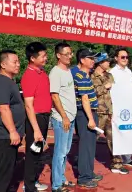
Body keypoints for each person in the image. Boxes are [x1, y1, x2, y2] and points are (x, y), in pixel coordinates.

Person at [0, 50, 25, 192]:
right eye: (14, 62)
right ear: (3, 64)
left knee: (8, 173)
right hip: (4, 136)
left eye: (18, 61)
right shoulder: (2, 83)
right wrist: (12, 131)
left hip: (10, 135)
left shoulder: (9, 82)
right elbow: (4, 109)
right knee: (2, 175)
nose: (18, 64)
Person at [91, 53, 129, 175]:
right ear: (100, 63)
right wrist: (104, 87)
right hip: (97, 112)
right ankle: (82, 162)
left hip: (110, 112)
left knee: (114, 139)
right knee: (91, 139)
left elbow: (115, 91)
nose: (109, 63)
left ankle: (117, 164)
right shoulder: (92, 76)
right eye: (106, 61)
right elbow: (91, 92)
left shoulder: (110, 75)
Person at [21, 42, 51, 192]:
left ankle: (33, 180)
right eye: (43, 56)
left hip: (44, 117)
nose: (46, 58)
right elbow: (28, 105)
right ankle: (29, 186)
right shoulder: (29, 76)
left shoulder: (42, 73)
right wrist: (36, 129)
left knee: (38, 152)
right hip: (36, 119)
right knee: (32, 153)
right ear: (32, 58)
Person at [49, 42, 79, 192]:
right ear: (58, 55)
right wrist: (64, 116)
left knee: (65, 151)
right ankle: (56, 185)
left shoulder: (67, 71)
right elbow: (54, 96)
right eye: (66, 54)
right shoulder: (55, 72)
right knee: (60, 152)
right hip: (62, 119)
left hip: (70, 117)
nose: (70, 56)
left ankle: (61, 179)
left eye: (71, 53)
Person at [73, 49, 104, 188]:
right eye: (90, 58)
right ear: (82, 60)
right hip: (86, 113)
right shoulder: (80, 75)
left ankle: (89, 173)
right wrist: (90, 119)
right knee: (86, 146)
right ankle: (84, 177)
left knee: (90, 145)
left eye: (94, 58)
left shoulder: (78, 72)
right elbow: (84, 99)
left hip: (87, 112)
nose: (93, 61)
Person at [108, 47, 132, 167]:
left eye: (126, 57)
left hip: (129, 106)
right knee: (116, 133)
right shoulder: (112, 72)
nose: (125, 59)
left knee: (129, 132)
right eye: (122, 57)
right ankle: (117, 160)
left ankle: (128, 158)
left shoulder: (129, 71)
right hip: (117, 107)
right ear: (116, 58)